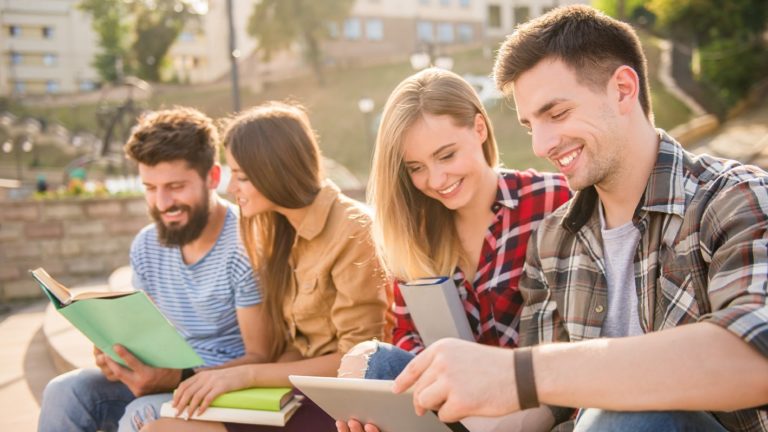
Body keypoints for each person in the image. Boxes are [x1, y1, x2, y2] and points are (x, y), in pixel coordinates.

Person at [391, 5, 768, 432]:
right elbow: (542, 406)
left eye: (557, 113)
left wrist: (521, 372)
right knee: (381, 368)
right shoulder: (554, 239)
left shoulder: (733, 197)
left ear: (623, 89)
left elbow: (756, 356)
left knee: (629, 409)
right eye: (531, 124)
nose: (542, 145)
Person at [336, 68, 571, 432]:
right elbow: (407, 335)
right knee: (362, 362)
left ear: (479, 129)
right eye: (416, 168)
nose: (435, 180)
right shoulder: (416, 232)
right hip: (449, 406)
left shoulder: (553, 199)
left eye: (446, 155)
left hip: (533, 403)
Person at [141, 101, 391, 432]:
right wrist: (227, 378)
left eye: (242, 176)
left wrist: (246, 375)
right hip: (297, 392)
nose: (232, 189)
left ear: (274, 172)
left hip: (344, 405)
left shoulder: (354, 231)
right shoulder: (278, 230)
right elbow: (292, 345)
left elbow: (359, 361)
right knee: (162, 424)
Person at [38, 107, 265, 432]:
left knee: (143, 414)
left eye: (175, 186)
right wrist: (118, 356)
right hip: (170, 375)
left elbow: (262, 355)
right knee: (64, 391)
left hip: (223, 387)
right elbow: (150, 331)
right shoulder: (147, 245)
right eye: (150, 188)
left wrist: (177, 377)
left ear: (213, 178)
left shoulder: (245, 241)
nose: (162, 203)